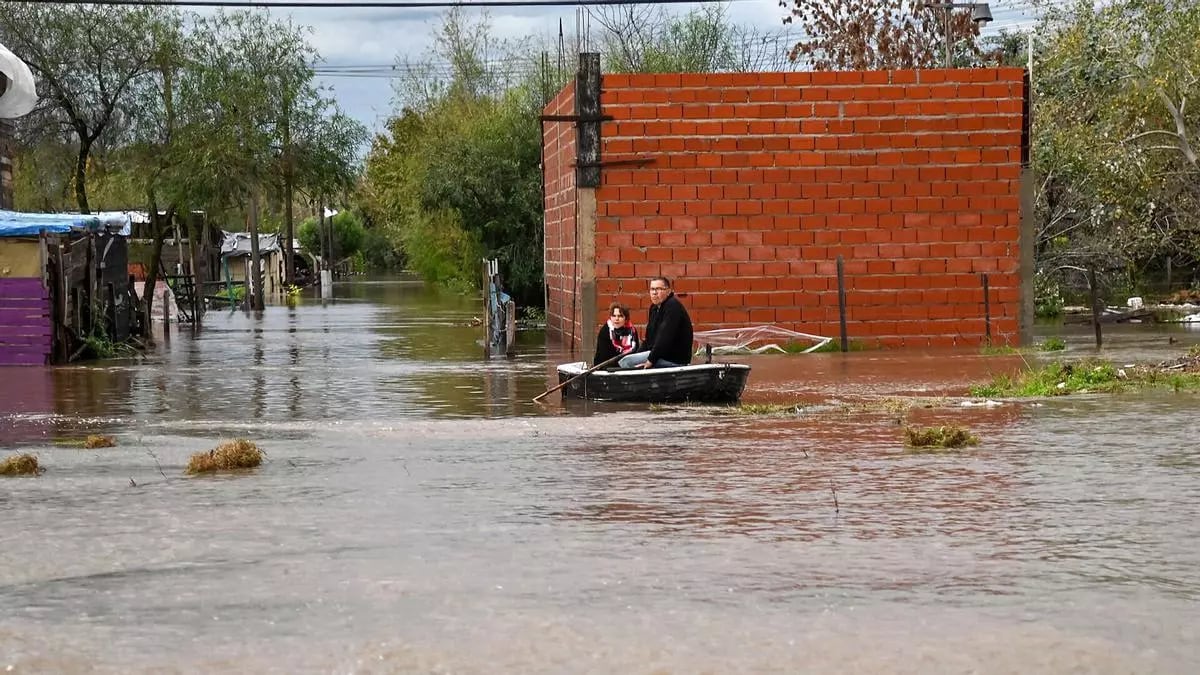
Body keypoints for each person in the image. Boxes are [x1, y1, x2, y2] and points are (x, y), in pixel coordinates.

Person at [618, 276, 694, 369]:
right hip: (660, 355)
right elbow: (649, 340)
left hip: (674, 359)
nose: (654, 293)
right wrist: (638, 354)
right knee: (626, 359)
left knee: (627, 362)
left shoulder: (672, 306)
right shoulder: (654, 308)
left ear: (668, 291)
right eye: (652, 289)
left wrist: (650, 360)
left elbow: (664, 338)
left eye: (658, 289)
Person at [593, 302, 640, 366]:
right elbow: (604, 357)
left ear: (625, 318)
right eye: (614, 316)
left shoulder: (632, 331)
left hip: (628, 367)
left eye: (620, 316)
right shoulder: (605, 331)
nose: (616, 319)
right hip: (605, 368)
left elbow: (635, 352)